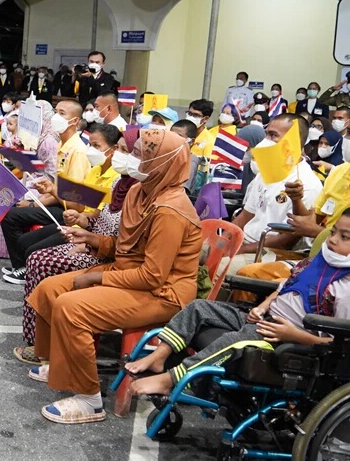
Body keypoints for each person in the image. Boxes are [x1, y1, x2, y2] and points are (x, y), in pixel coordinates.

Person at [27, 130, 202, 424]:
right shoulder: (138, 192)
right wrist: (93, 239)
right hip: (128, 274)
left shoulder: (171, 209)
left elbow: (152, 276)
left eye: (141, 155)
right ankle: (59, 364)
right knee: (50, 289)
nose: (131, 159)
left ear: (161, 163)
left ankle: (89, 400)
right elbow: (125, 249)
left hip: (162, 294)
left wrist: (96, 279)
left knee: (72, 308)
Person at [127, 208, 350, 397]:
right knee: (199, 307)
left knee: (235, 340)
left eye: (344, 237)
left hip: (289, 340)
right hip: (265, 318)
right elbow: (286, 288)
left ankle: (171, 379)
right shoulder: (315, 262)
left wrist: (292, 335)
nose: (331, 239)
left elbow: (338, 344)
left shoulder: (345, 286)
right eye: (333, 232)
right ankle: (160, 356)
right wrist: (262, 307)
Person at [14, 128, 139, 364]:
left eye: (125, 151)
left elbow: (126, 245)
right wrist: (81, 222)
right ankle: (37, 340)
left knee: (45, 263)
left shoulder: (139, 193)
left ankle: (50, 346)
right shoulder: (119, 185)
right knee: (35, 258)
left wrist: (89, 240)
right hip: (93, 239)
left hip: (107, 256)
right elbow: (98, 215)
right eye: (120, 150)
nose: (120, 156)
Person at [3, 122, 120, 285]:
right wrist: (55, 193)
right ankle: (25, 270)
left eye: (97, 146)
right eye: (91, 145)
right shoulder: (95, 170)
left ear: (114, 149)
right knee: (23, 241)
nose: (91, 150)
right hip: (77, 222)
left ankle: (31, 275)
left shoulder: (116, 179)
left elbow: (97, 216)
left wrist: (77, 218)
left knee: (31, 250)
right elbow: (79, 204)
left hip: (89, 231)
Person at [0, 99, 90, 282]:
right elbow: (58, 187)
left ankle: (25, 268)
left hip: (68, 211)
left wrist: (35, 202)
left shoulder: (77, 151)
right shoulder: (62, 146)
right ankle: (21, 265)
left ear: (74, 121)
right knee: (9, 211)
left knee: (12, 216)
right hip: (58, 200)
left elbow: (75, 200)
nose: (57, 117)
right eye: (56, 111)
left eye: (62, 113)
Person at [224, 115, 321, 275]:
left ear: (293, 142)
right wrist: (225, 240)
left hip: (268, 252)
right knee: (195, 252)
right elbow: (246, 215)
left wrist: (241, 250)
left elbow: (286, 241)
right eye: (267, 134)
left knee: (219, 268)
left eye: (273, 135)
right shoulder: (267, 172)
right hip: (244, 241)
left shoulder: (307, 184)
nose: (265, 141)